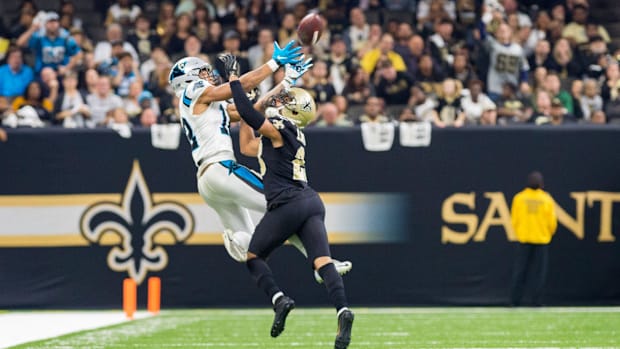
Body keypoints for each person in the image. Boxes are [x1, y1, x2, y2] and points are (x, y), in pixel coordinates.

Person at [168, 42, 352, 281]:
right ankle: (323, 264)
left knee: (249, 245)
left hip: (207, 181)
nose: (208, 74)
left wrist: (285, 82)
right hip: (221, 168)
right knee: (287, 206)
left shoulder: (207, 106)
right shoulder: (193, 91)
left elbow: (252, 110)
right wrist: (274, 63)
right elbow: (242, 85)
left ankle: (235, 240)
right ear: (188, 78)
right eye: (202, 71)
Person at [229, 65, 354, 349]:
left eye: (286, 102)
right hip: (310, 201)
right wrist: (253, 108)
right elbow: (248, 146)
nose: (280, 102)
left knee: (253, 257)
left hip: (288, 203)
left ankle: (279, 299)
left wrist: (235, 81)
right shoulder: (292, 133)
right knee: (323, 262)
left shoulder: (282, 128)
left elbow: (248, 114)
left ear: (293, 112)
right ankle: (343, 310)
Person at [510, 171, 557, 306]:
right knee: (539, 273)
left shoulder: (519, 198)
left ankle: (515, 301)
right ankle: (536, 301)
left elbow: (514, 219)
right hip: (541, 239)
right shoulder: (546, 199)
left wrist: (519, 233)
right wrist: (548, 233)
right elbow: (552, 221)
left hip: (524, 239)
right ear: (541, 184)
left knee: (520, 271)